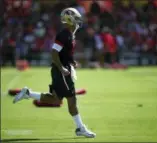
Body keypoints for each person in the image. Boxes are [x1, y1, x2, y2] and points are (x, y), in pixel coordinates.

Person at [13, 8, 96, 138]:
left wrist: (71, 62)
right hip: (61, 71)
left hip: (61, 69)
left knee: (56, 99)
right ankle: (80, 128)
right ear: (69, 20)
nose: (78, 23)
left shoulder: (69, 34)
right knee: (72, 100)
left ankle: (28, 93)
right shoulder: (64, 34)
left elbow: (64, 53)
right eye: (76, 19)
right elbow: (54, 52)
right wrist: (62, 68)